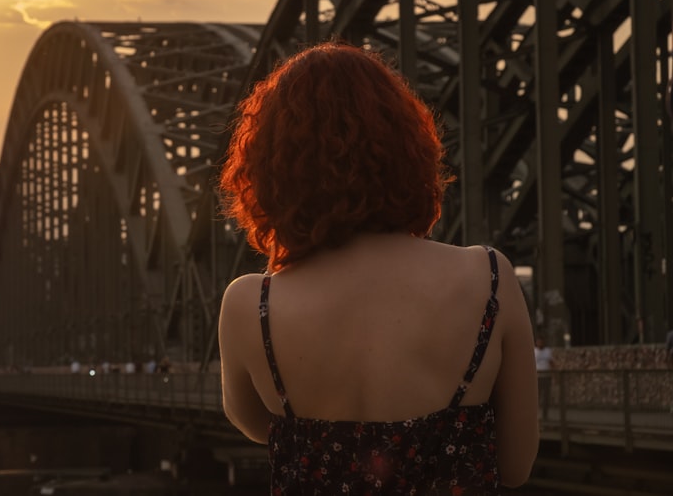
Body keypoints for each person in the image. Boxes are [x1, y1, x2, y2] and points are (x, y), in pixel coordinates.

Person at [217, 42, 539, 494]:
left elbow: (256, 423)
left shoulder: (252, 304)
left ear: (272, 171)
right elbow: (516, 466)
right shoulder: (487, 277)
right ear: (409, 149)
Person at [534, 336, 555, 420]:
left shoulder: (547, 351)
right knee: (537, 397)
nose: (540, 344)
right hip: (537, 377)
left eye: (541, 342)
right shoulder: (534, 351)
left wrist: (555, 374)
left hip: (546, 376)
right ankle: (536, 415)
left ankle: (545, 415)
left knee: (546, 397)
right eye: (538, 342)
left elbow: (551, 362)